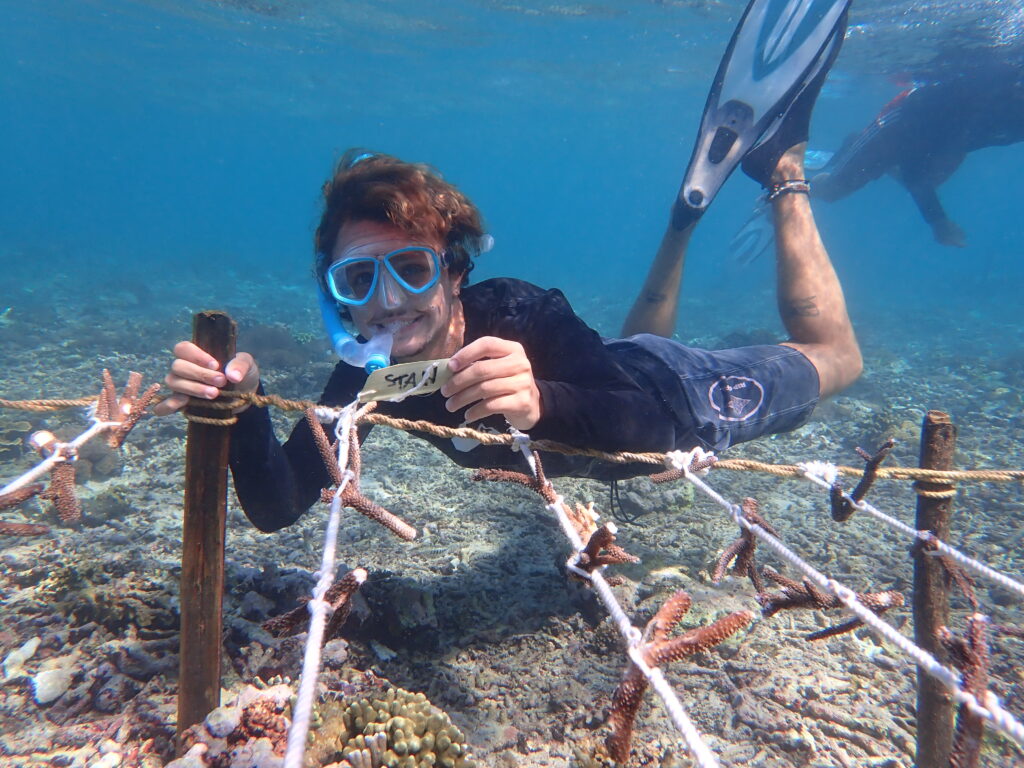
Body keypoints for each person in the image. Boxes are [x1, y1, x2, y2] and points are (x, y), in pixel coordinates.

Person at [154, 1, 862, 533]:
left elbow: (647, 423)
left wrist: (540, 403)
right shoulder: (371, 372)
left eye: (412, 268)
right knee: (630, 345)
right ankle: (683, 223)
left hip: (679, 396)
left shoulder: (524, 315)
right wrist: (239, 407)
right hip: (612, 364)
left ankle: (785, 176)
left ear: (455, 272)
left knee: (838, 358)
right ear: (339, 299)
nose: (389, 302)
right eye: (359, 280)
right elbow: (281, 503)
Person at [811, 55, 1024, 247]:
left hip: (946, 139)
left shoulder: (1012, 113)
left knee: (928, 181)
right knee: (832, 192)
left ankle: (880, 163)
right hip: (901, 125)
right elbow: (915, 171)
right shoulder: (986, 91)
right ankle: (799, 178)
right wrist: (938, 221)